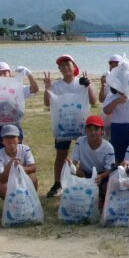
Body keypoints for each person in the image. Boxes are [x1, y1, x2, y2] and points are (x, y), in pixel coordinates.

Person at [43, 54, 97, 197]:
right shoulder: (56, 85)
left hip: (81, 125)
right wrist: (47, 88)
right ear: (59, 69)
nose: (65, 67)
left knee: (84, 154)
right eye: (62, 66)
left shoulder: (82, 83)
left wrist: (89, 85)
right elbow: (47, 103)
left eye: (68, 64)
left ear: (74, 67)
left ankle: (86, 180)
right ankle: (57, 183)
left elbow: (93, 101)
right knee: (61, 154)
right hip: (63, 127)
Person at [69, 115, 115, 205]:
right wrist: (70, 164)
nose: (93, 132)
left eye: (96, 129)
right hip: (85, 173)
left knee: (108, 187)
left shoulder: (108, 147)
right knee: (73, 171)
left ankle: (102, 194)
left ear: (102, 131)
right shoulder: (80, 141)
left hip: (101, 175)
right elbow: (74, 160)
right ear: (85, 131)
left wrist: (101, 176)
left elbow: (109, 169)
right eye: (90, 129)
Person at [102, 76, 129, 163]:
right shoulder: (112, 95)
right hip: (118, 128)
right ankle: (118, 172)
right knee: (118, 155)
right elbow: (106, 111)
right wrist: (116, 101)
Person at [0, 124, 37, 199]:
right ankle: (12, 205)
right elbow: (2, 179)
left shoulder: (25, 149)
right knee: (1, 187)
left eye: (13, 137)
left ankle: (31, 200)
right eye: (7, 137)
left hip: (22, 177)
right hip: (8, 181)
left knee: (32, 177)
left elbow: (33, 167)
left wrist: (20, 168)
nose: (10, 140)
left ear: (19, 139)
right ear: (2, 141)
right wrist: (10, 164)